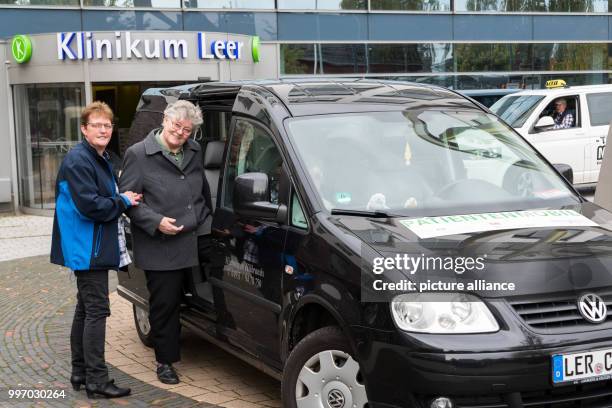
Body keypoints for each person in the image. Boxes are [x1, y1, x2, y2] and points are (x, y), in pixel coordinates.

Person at [50, 101, 141, 399]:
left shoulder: (98, 157)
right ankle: (97, 381)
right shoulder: (80, 160)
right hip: (88, 247)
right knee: (97, 311)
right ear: (84, 129)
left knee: (85, 308)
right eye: (97, 125)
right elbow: (91, 207)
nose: (103, 130)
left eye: (107, 125)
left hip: (90, 245)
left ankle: (80, 371)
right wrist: (124, 201)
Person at [119, 100, 212, 385]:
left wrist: (208, 219)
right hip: (161, 243)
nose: (181, 133)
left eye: (187, 130)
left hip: (197, 237)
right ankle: (165, 362)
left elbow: (203, 191)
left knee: (205, 293)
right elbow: (128, 202)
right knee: (165, 305)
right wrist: (156, 221)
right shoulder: (138, 154)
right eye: (177, 126)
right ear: (165, 119)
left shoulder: (194, 151)